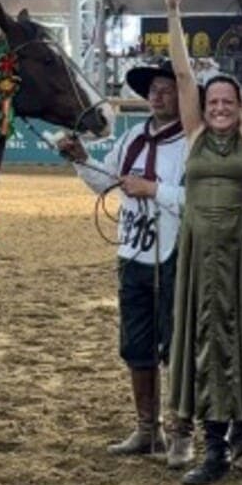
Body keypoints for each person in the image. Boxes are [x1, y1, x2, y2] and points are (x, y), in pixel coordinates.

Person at [165, 0, 242, 485]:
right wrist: (171, 11)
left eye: (227, 100)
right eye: (212, 100)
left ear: (241, 105)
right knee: (203, 343)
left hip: (239, 252)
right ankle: (214, 449)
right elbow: (181, 73)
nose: (218, 106)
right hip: (196, 257)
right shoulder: (192, 134)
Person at [58, 59, 187, 456]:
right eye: (153, 89)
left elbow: (199, 201)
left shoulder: (191, 143)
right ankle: (148, 427)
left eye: (167, 88)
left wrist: (153, 190)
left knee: (177, 344)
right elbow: (106, 181)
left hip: (174, 252)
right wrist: (80, 158)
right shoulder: (132, 138)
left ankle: (183, 431)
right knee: (136, 343)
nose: (157, 95)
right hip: (133, 252)